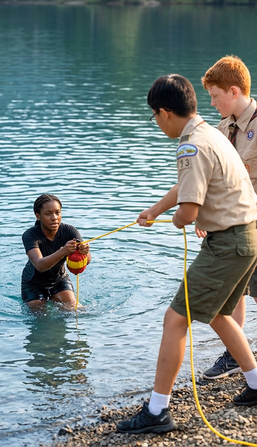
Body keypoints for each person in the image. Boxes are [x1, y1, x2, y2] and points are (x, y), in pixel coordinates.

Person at [116, 74, 257, 434]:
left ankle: (157, 411)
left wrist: (178, 218)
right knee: (219, 314)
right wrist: (155, 210)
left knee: (175, 319)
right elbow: (186, 184)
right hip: (248, 238)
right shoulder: (211, 132)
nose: (156, 123)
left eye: (154, 116)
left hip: (228, 243)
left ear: (164, 112)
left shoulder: (189, 146)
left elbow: (189, 212)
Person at [198, 55, 257, 380]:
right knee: (237, 290)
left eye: (215, 96)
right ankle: (235, 355)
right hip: (233, 227)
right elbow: (214, 179)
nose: (212, 103)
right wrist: (203, 213)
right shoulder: (222, 129)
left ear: (233, 91)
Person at [21, 194, 90, 311]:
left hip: (59, 280)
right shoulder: (30, 235)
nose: (54, 218)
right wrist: (63, 251)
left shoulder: (70, 231)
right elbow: (40, 265)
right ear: (38, 216)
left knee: (76, 310)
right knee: (41, 318)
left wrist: (84, 252)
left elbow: (87, 260)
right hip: (33, 284)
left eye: (57, 213)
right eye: (48, 214)